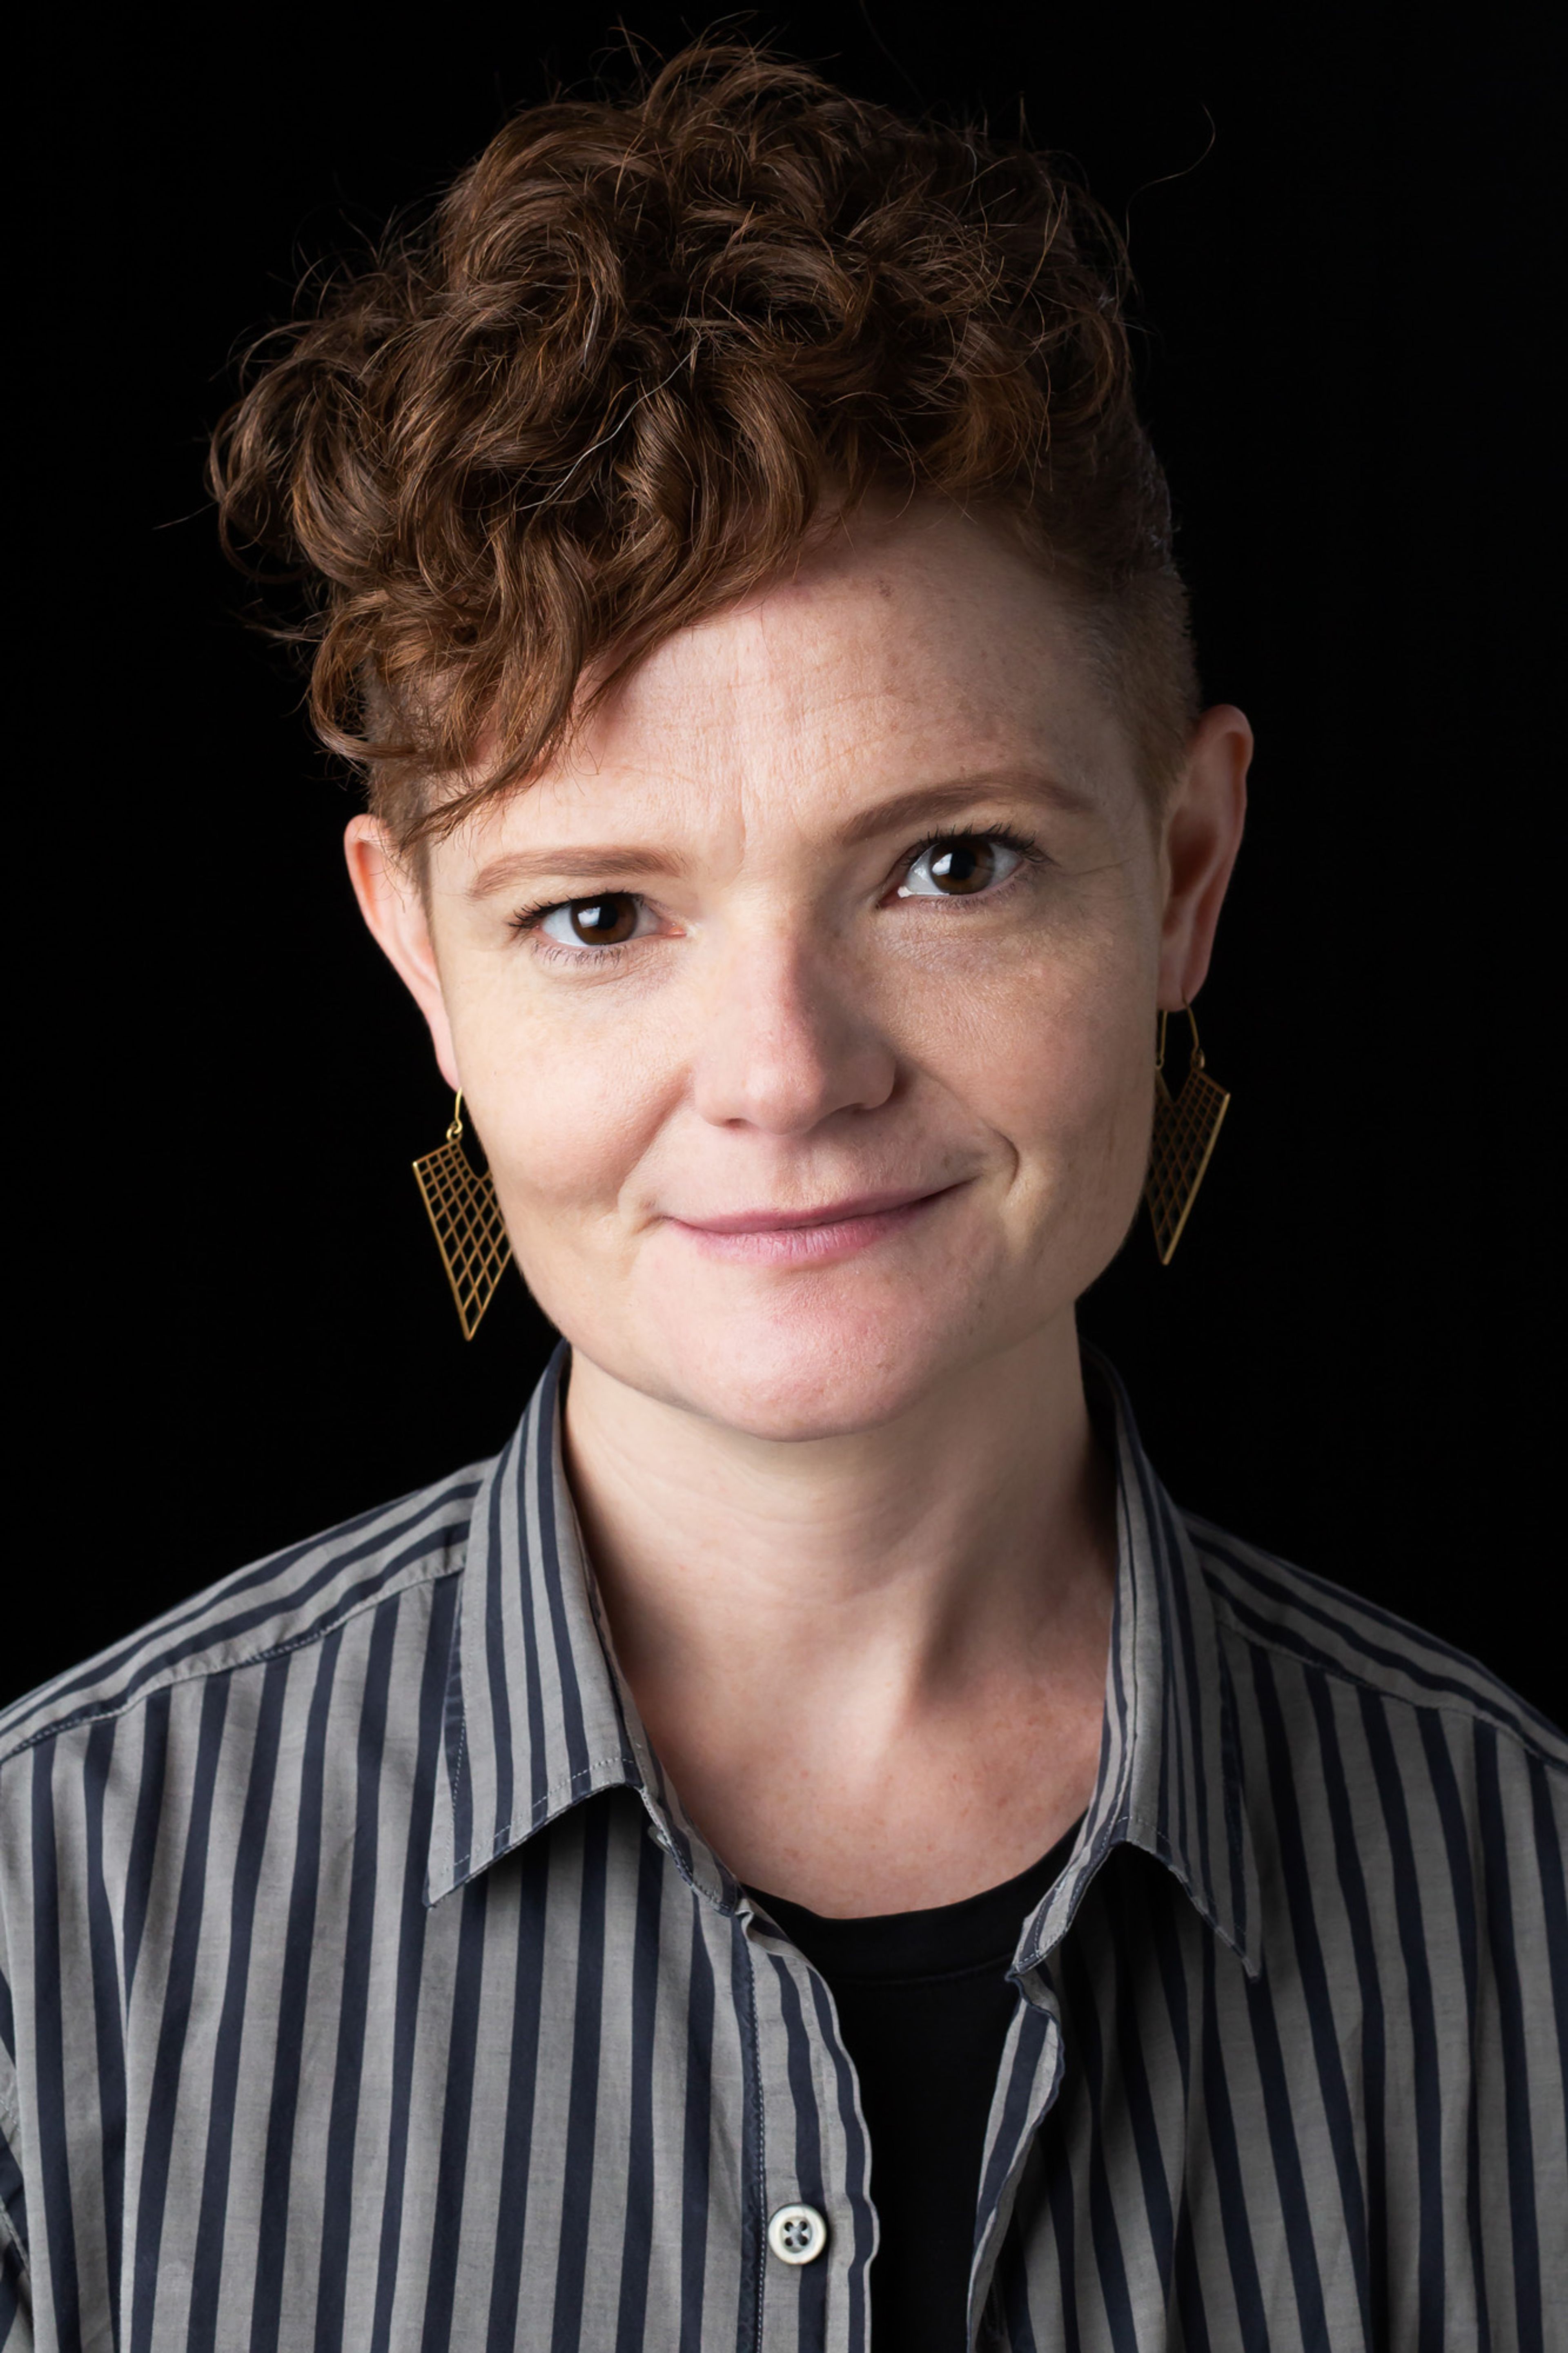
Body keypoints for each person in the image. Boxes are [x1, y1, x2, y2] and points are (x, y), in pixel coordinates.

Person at [0, 42, 1561, 2353]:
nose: (788, 1075)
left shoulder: (1531, 1901)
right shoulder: (51, 1919)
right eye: (601, 915)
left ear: (1186, 877)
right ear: (418, 961)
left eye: (949, 865)